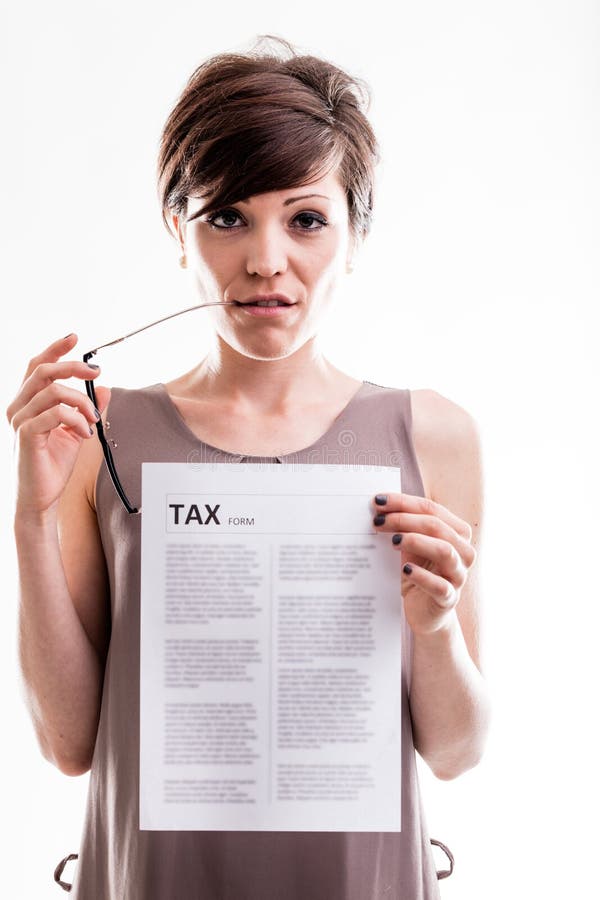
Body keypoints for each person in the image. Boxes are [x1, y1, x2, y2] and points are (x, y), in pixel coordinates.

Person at [7, 34, 490, 899]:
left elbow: (456, 754)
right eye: (228, 215)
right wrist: (31, 518)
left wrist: (436, 623)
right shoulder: (102, 437)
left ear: (356, 233)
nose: (267, 258)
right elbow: (70, 746)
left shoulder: (435, 434)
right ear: (177, 230)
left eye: (306, 218)